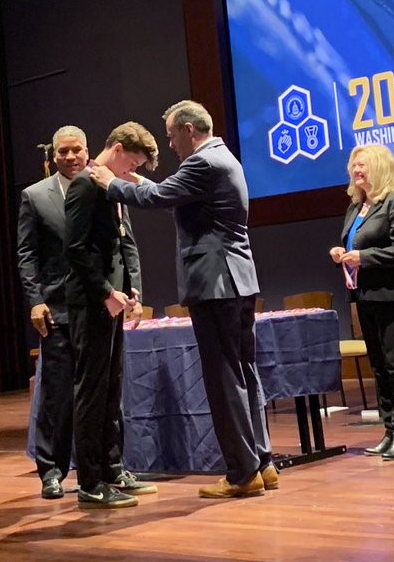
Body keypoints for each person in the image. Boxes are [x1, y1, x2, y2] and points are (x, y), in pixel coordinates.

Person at [89, 100, 275, 499]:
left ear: (189, 129)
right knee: (244, 373)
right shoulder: (224, 157)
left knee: (224, 377)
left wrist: (111, 183)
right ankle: (262, 462)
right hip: (238, 282)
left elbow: (159, 199)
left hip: (215, 284)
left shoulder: (201, 163)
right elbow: (167, 190)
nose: (171, 143)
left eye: (173, 134)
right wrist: (137, 183)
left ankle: (242, 473)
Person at [65, 122, 157, 509]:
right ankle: (90, 480)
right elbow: (77, 249)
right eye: (131, 163)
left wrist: (131, 289)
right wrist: (105, 292)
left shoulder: (110, 186)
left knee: (113, 387)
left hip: (115, 301)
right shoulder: (85, 186)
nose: (131, 173)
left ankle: (112, 466)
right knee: (92, 391)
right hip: (92, 302)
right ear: (117, 149)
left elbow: (123, 241)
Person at [329, 144, 394, 460]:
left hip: (393, 295)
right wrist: (342, 254)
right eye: (353, 165)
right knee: (379, 367)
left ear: (380, 167)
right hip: (364, 296)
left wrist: (364, 257)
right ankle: (390, 430)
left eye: (363, 165)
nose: (356, 170)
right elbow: (355, 245)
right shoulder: (356, 207)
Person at [15, 125, 87, 501]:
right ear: (53, 156)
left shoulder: (103, 186)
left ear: (87, 152)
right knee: (57, 396)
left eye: (76, 150)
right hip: (56, 308)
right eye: (63, 152)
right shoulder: (35, 196)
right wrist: (36, 300)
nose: (70, 157)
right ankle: (52, 471)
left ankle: (102, 470)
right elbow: (26, 257)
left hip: (95, 309)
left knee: (98, 394)